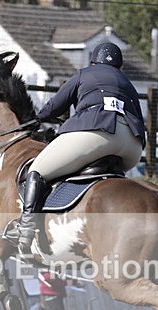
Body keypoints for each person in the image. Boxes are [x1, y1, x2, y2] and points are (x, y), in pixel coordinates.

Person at [15, 42, 146, 255]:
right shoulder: (128, 84)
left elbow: (56, 106)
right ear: (119, 66)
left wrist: (37, 118)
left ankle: (26, 229)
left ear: (93, 61)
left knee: (36, 171)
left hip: (98, 133)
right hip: (132, 146)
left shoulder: (85, 74)